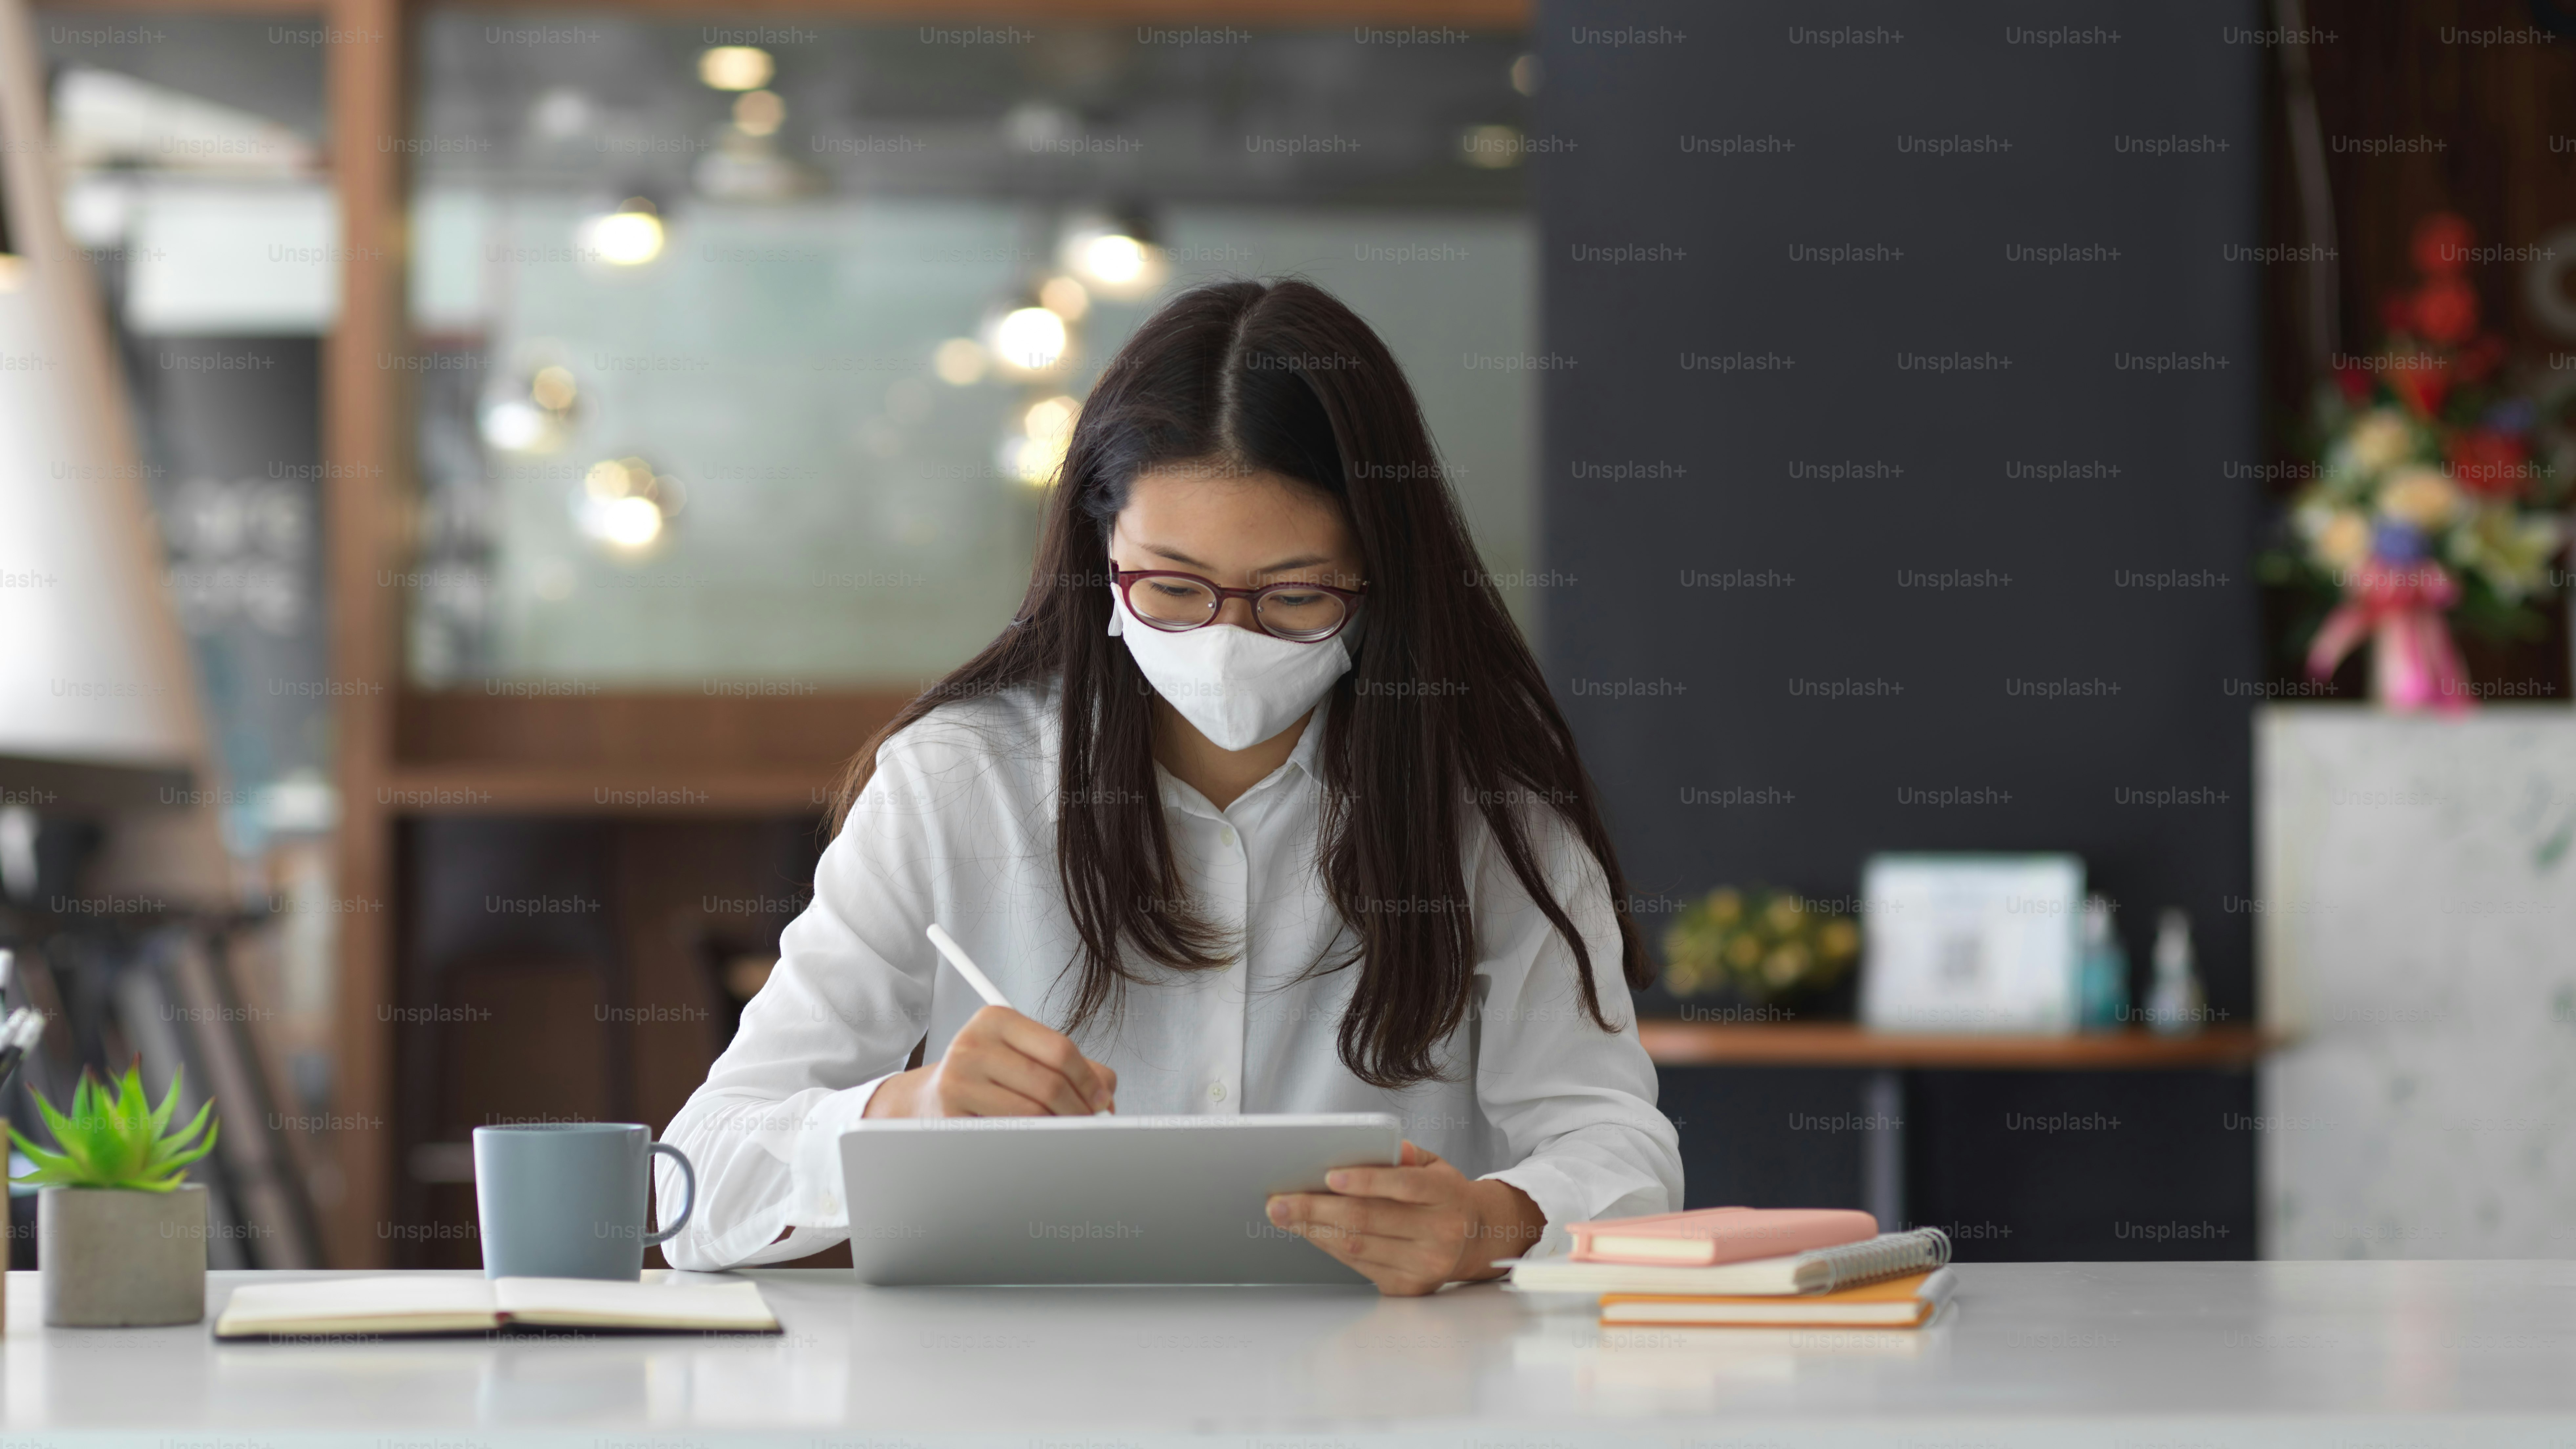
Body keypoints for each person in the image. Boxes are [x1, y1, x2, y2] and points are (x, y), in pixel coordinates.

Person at [657, 278, 1680, 1295]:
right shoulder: (956, 785)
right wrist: (901, 1115)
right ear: (1103, 555)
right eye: (1174, 586)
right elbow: (692, 1190)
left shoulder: (1489, 821)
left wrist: (1493, 1225)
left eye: (1293, 596)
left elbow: (1620, 1152)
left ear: (1381, 582)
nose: (1225, 642)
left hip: (1382, 1401)